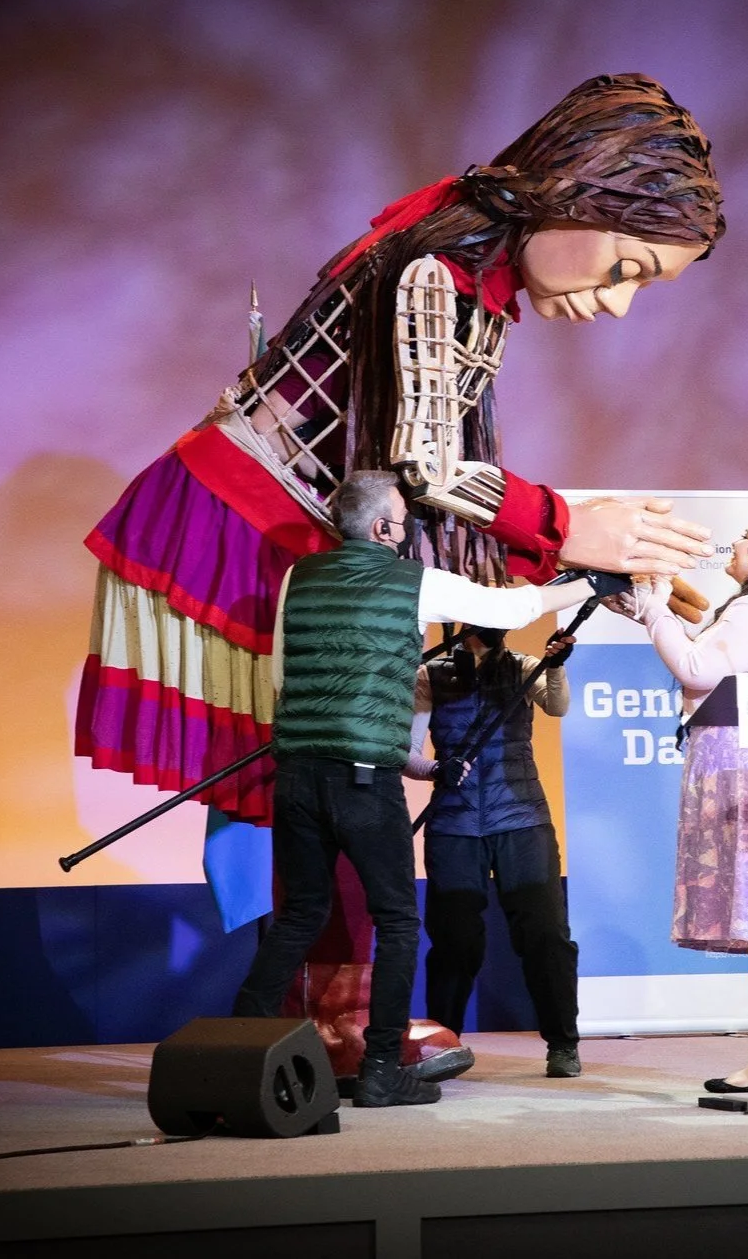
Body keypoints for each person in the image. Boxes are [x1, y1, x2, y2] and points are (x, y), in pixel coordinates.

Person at [72, 74, 725, 1071]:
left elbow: (419, 479)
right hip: (250, 526)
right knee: (335, 774)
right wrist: (568, 526)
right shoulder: (439, 267)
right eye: (627, 265)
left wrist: (576, 550)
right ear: (579, 195)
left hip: (282, 528)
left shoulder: (467, 256)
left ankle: (321, 1018)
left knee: (321, 777)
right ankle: (332, 1023)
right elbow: (423, 467)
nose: (622, 304)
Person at [230, 473, 602, 1107]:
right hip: (362, 777)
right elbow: (511, 609)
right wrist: (591, 578)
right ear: (381, 529)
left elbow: (281, 678)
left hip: (296, 773)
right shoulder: (411, 582)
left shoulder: (299, 578)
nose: (406, 533)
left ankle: (239, 1058)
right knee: (400, 922)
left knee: (297, 918)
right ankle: (381, 1071)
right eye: (402, 521)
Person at [617, 516, 748, 1093]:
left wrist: (653, 612)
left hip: (739, 767)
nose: (732, 545)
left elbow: (696, 668)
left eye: (743, 537)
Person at [406, 626, 583, 1078]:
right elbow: (407, 753)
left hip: (522, 819)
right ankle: (442, 1045)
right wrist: (435, 769)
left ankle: (563, 1043)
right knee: (454, 940)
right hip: (454, 823)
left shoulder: (524, 665)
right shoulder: (430, 672)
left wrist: (556, 665)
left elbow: (556, 705)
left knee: (545, 934)